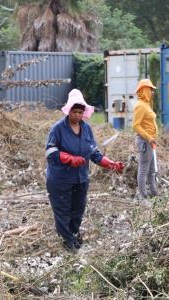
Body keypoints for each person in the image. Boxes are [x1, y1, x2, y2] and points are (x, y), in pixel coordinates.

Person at [45, 89, 125, 253]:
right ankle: (67, 245)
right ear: (68, 111)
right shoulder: (58, 129)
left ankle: (73, 235)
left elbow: (94, 153)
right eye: (74, 112)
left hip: (80, 179)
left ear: (84, 113)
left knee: (78, 211)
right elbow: (50, 152)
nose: (77, 115)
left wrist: (111, 164)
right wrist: (69, 158)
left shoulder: (86, 129)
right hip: (60, 180)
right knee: (63, 212)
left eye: (80, 112)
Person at [132, 79, 159, 199]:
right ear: (144, 90)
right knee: (143, 170)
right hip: (145, 142)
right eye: (150, 90)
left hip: (150, 142)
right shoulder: (140, 106)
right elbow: (135, 125)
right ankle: (142, 197)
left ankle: (154, 193)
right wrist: (149, 138)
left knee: (152, 170)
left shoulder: (146, 104)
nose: (152, 92)